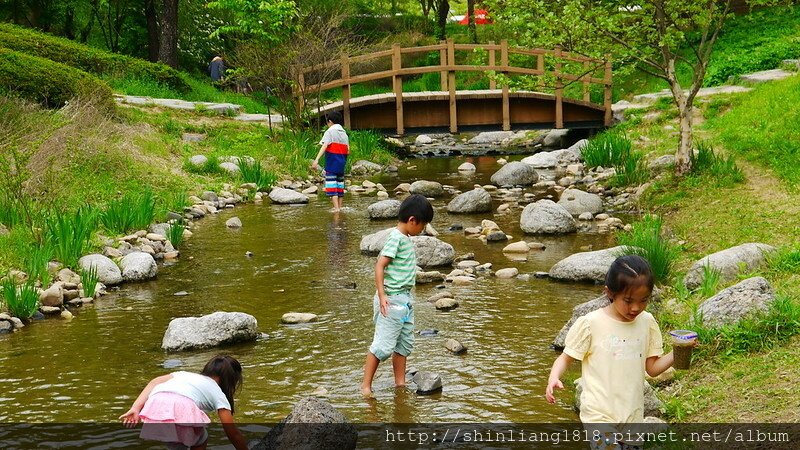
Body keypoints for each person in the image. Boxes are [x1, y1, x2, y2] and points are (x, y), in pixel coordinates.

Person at [545, 255, 688, 449]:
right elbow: (566, 358)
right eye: (628, 300)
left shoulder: (647, 323)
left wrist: (678, 351)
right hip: (598, 415)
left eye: (643, 300)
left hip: (631, 417)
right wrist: (554, 377)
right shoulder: (591, 323)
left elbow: (653, 369)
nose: (635, 307)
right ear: (610, 293)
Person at [360, 194, 434, 397]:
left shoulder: (405, 238)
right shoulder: (395, 238)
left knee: (404, 344)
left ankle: (399, 384)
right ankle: (366, 386)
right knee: (382, 345)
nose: (423, 229)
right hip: (391, 299)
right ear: (412, 220)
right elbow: (380, 265)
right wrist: (382, 295)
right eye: (423, 225)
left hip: (405, 299)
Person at [120, 355, 248, 450]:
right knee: (196, 439)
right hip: (180, 406)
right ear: (231, 380)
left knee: (189, 439)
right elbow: (233, 433)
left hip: (156, 404)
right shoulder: (218, 394)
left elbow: (155, 382)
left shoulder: (183, 374)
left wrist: (135, 408)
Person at [311, 111, 349, 211]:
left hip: (332, 163)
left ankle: (336, 210)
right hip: (341, 163)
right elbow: (348, 150)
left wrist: (316, 160)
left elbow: (324, 145)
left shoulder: (330, 131)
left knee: (332, 187)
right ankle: (340, 208)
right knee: (340, 187)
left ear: (330, 122)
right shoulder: (345, 134)